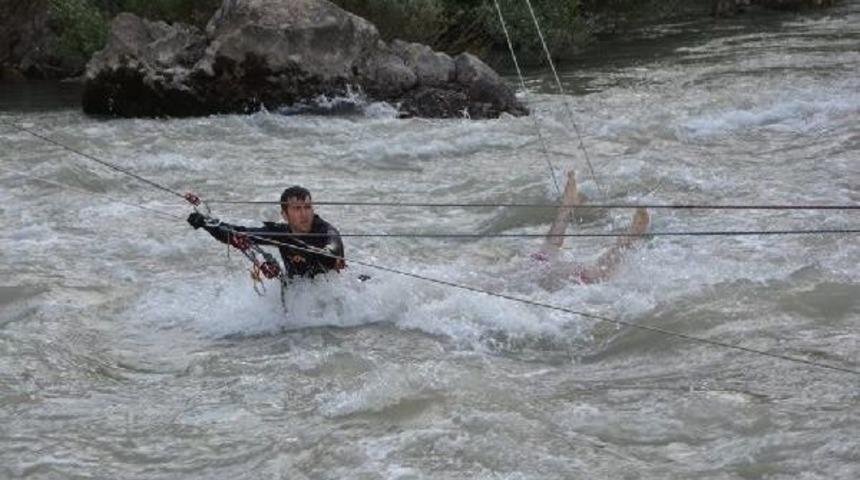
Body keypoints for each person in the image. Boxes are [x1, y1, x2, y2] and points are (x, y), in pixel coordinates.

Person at [187, 185, 345, 279]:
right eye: (297, 209)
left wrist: (293, 244)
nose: (304, 214)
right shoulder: (280, 233)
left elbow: (331, 257)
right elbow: (237, 233)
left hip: (333, 297)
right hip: (299, 295)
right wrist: (205, 224)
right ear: (284, 214)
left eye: (308, 207)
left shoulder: (327, 231)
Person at [532, 170, 650, 288]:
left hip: (535, 273)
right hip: (537, 278)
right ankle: (626, 241)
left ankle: (566, 207)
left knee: (545, 255)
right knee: (587, 272)